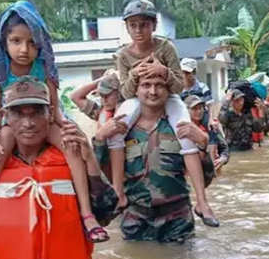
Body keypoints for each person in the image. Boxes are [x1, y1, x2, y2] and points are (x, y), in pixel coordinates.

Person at [0, 1, 106, 259]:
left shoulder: (44, 67)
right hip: (10, 120)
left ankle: (87, 215)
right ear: (4, 41)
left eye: (32, 43)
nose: (24, 49)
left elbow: (55, 108)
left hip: (44, 115)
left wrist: (68, 129)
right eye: (16, 41)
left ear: (40, 43)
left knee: (71, 146)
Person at [0, 76, 95, 259]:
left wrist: (91, 160)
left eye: (36, 113)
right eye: (18, 113)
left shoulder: (70, 152)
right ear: (5, 116)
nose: (28, 123)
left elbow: (108, 210)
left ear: (50, 114)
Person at [94, 72, 222, 242]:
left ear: (169, 90)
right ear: (136, 91)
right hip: (136, 220)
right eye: (146, 85)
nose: (153, 91)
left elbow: (206, 180)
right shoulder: (121, 130)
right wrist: (99, 139)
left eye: (159, 85)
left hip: (177, 221)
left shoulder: (182, 127)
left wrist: (203, 145)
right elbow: (99, 176)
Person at [109, 0, 204, 220]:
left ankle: (202, 201)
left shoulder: (165, 47)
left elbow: (179, 86)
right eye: (133, 25)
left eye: (144, 24)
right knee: (115, 132)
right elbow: (125, 92)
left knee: (186, 134)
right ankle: (118, 194)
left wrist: (163, 71)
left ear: (154, 25)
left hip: (168, 96)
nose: (139, 30)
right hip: (136, 99)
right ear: (127, 27)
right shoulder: (123, 55)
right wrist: (135, 73)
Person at [186, 95, 229, 174]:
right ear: (186, 110)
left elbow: (224, 148)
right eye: (194, 109)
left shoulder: (211, 127)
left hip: (211, 170)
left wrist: (223, 158)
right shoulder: (182, 128)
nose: (199, 111)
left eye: (200, 108)